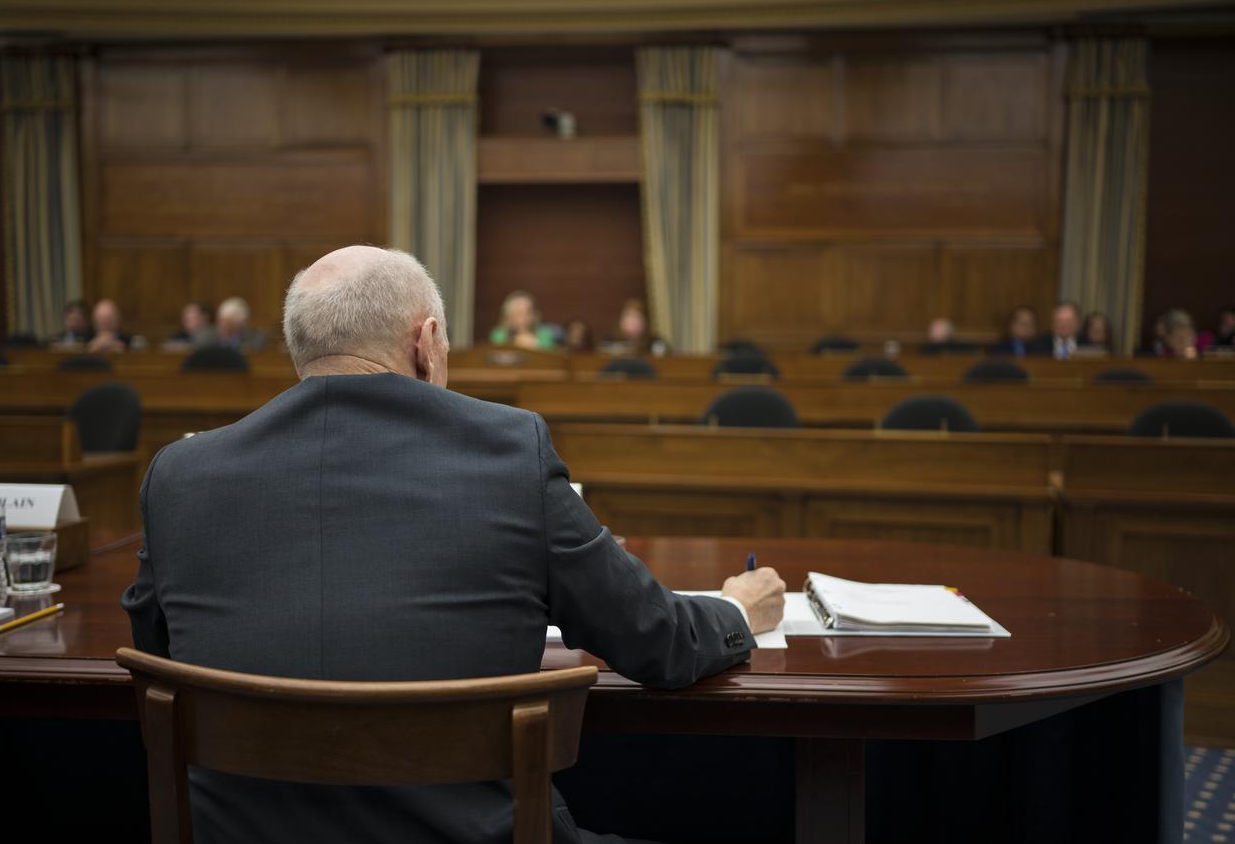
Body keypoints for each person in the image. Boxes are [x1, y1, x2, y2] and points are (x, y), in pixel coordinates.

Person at [120, 245, 786, 844]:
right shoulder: (508, 452)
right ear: (427, 340)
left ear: (303, 349)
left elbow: (157, 657)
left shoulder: (180, 475)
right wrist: (735, 611)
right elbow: (655, 639)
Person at [489, 290, 556, 351]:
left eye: (527, 313)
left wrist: (537, 345)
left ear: (534, 315)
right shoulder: (499, 334)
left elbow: (551, 356)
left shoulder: (544, 334)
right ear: (508, 316)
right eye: (517, 313)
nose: (522, 319)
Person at [600, 299, 668, 356]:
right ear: (620, 321)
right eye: (628, 316)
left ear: (646, 322)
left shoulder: (656, 343)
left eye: (636, 317)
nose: (632, 321)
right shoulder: (610, 342)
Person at [201, 296, 266, 352]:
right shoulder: (206, 337)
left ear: (242, 322)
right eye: (221, 321)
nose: (224, 325)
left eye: (229, 322)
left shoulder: (254, 338)